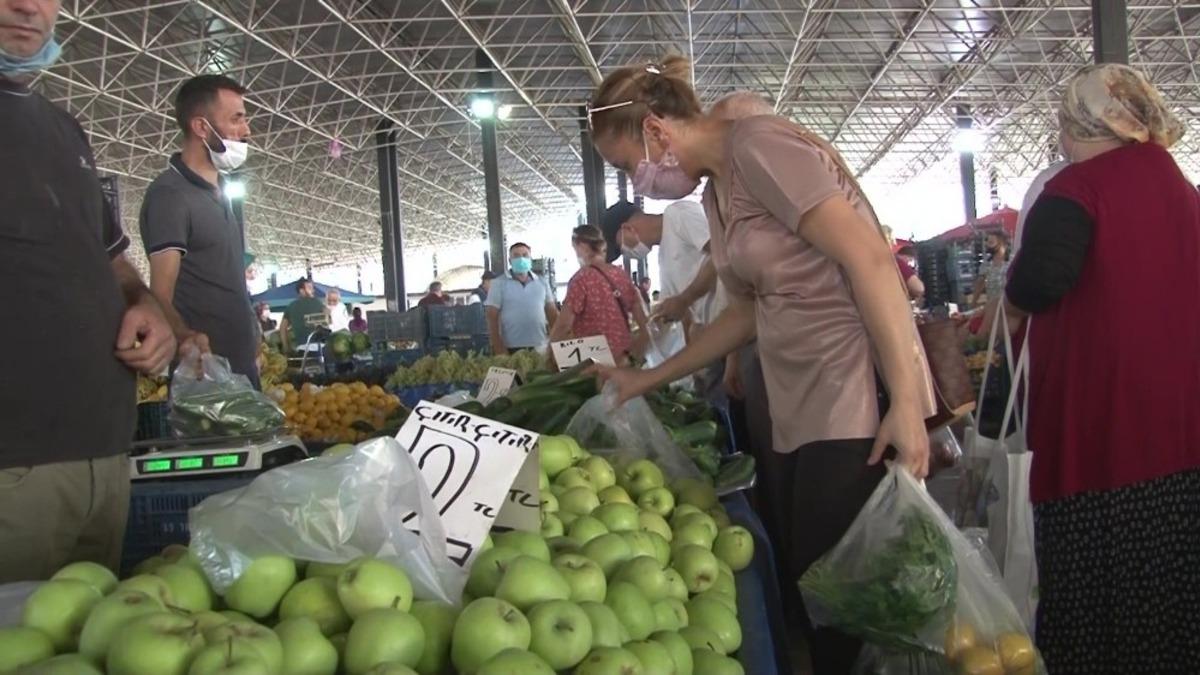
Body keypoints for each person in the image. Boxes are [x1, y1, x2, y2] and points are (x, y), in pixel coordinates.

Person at [586, 57, 933, 672]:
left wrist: (905, 403)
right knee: (814, 580)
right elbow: (743, 314)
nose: (635, 184)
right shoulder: (720, 188)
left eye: (624, 166)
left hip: (850, 385)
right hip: (795, 393)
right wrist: (645, 379)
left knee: (846, 598)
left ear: (658, 133)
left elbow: (872, 261)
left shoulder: (761, 148)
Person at [1002, 64, 1200, 674]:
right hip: (1181, 433)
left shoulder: (1077, 190)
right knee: (1171, 595)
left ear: (1086, 122)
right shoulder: (1180, 188)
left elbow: (1037, 284)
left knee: (1095, 603)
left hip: (1102, 433)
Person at [1, 0, 176, 582]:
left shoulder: (62, 128)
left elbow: (112, 262)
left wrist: (144, 304)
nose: (27, 5)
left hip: (101, 452)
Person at [139, 74, 259, 387]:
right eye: (236, 119)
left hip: (240, 371)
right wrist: (187, 338)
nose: (246, 130)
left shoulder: (219, 191)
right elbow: (159, 294)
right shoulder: (170, 196)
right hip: (206, 382)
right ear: (201, 127)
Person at [602, 200, 719, 339]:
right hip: (713, 339)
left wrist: (686, 298)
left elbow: (722, 253)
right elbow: (681, 313)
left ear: (627, 228)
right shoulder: (664, 259)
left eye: (620, 247)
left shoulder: (678, 215)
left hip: (736, 327)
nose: (626, 253)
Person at [549, 225, 650, 363]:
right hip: (624, 357)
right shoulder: (621, 275)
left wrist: (550, 355)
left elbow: (563, 326)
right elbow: (644, 321)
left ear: (581, 246)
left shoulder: (581, 279)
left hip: (595, 359)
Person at [486, 242, 560, 354]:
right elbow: (492, 316)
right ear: (510, 261)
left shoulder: (542, 282)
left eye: (525, 255)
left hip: (540, 346)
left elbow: (552, 313)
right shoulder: (498, 283)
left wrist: (555, 341)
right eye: (516, 256)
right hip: (510, 347)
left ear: (530, 259)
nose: (521, 259)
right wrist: (498, 346)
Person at [278, 278, 328, 353]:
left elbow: (282, 328)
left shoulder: (290, 306)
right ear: (301, 291)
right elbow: (327, 321)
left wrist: (286, 347)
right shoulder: (317, 302)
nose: (313, 291)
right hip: (321, 348)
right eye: (310, 288)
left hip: (301, 349)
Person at [970, 231, 1008, 307]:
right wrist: (973, 303)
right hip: (993, 306)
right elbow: (979, 284)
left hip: (1008, 307)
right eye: (988, 242)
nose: (988, 244)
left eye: (991, 242)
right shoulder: (986, 265)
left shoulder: (1011, 262)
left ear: (1002, 242)